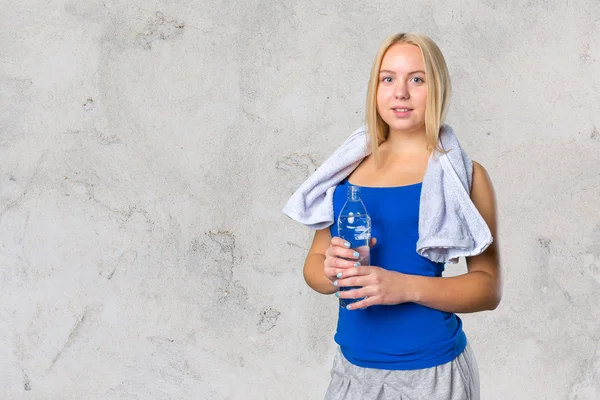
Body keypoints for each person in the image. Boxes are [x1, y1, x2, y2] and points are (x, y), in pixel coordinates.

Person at [301, 33, 501, 399]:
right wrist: (329, 269)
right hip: (352, 371)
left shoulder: (464, 177)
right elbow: (315, 267)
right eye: (388, 78)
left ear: (436, 88)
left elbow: (488, 287)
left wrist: (403, 287)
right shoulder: (344, 172)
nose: (401, 92)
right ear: (375, 88)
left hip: (431, 372)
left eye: (417, 79)